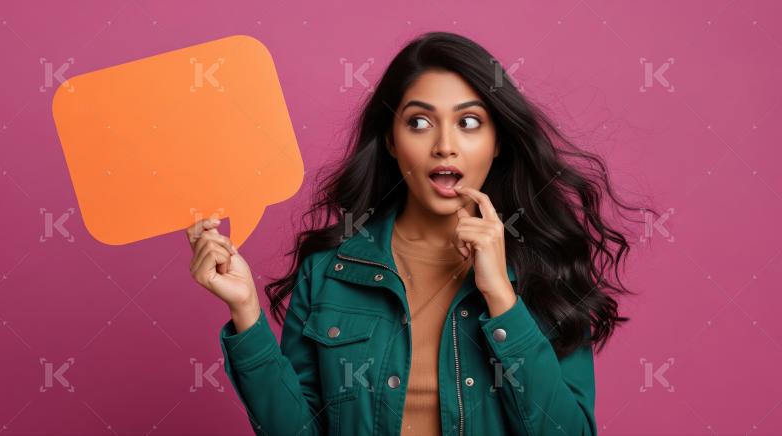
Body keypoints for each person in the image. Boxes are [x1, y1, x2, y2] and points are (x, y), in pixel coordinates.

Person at [186, 31, 650, 435]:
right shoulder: (329, 272)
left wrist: (502, 298)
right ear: (391, 140)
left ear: (497, 141)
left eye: (469, 122)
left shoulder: (545, 270)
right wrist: (245, 312)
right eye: (419, 123)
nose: (445, 145)